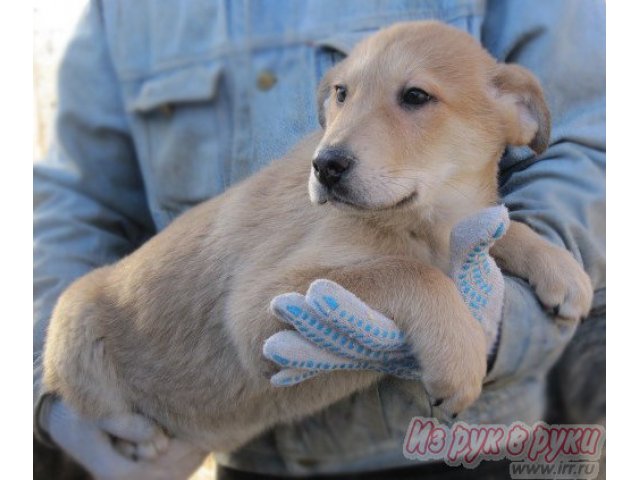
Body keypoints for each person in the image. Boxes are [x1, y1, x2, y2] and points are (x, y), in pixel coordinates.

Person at [33, 0, 605, 478]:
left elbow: (585, 145)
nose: (333, 147)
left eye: (413, 98)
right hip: (233, 449)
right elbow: (76, 196)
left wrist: (518, 289)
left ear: (517, 112)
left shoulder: (467, 142)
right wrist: (56, 399)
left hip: (469, 448)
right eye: (341, 95)